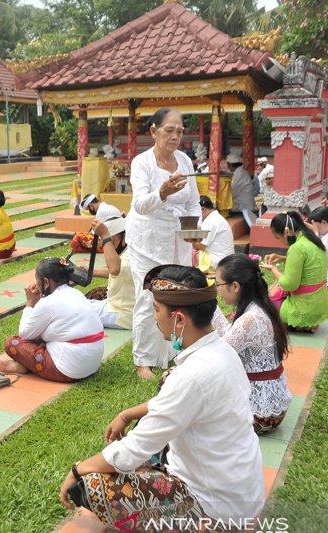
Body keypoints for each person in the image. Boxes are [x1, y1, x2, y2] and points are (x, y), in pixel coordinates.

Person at [59, 265, 263, 528]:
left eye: (156, 310)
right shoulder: (221, 351)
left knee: (92, 485)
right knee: (163, 391)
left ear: (179, 319)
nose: (155, 318)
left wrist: (77, 469)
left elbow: (132, 450)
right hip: (239, 489)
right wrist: (126, 414)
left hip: (216, 504)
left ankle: (199, 524)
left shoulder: (192, 375)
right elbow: (176, 403)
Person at [125, 107, 200, 380]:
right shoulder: (141, 163)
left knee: (176, 295)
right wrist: (163, 192)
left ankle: (172, 352)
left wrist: (193, 233)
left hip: (177, 239)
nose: (175, 136)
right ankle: (143, 359)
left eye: (179, 131)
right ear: (153, 131)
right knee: (149, 297)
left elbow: (193, 201)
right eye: (169, 130)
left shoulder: (185, 161)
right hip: (146, 239)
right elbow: (140, 205)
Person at [213, 254, 292, 434]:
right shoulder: (258, 308)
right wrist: (213, 308)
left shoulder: (252, 318)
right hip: (271, 409)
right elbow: (230, 336)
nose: (217, 290)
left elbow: (218, 353)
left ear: (235, 286)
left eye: (218, 285)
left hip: (261, 416)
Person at [0, 258, 105, 382]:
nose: (36, 285)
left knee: (12, 343)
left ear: (46, 282)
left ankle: (25, 366)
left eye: (37, 281)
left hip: (69, 371)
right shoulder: (76, 293)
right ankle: (27, 364)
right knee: (41, 335)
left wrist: (30, 303)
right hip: (92, 364)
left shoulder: (48, 302)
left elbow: (25, 333)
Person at [261, 211, 328, 333]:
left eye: (278, 238)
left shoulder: (296, 248)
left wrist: (273, 269)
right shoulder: (312, 240)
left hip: (304, 309)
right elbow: (309, 263)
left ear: (287, 232)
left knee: (265, 305)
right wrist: (284, 258)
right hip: (318, 306)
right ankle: (307, 324)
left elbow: (289, 285)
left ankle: (300, 323)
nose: (279, 241)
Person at [85, 216, 134, 330]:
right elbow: (118, 271)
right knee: (77, 302)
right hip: (115, 307)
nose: (107, 246)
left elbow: (114, 269)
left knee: (71, 309)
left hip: (121, 314)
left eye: (112, 240)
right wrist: (90, 271)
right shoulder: (128, 252)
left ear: (124, 238)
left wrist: (106, 236)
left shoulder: (130, 256)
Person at [191, 196, 234, 273]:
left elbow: (200, 246)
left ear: (202, 209)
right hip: (225, 260)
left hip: (217, 262)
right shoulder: (214, 217)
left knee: (186, 250)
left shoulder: (210, 221)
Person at [227, 153, 257, 227]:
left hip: (244, 208)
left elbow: (233, 192)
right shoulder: (240, 172)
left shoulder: (239, 173)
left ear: (230, 165)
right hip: (245, 205)